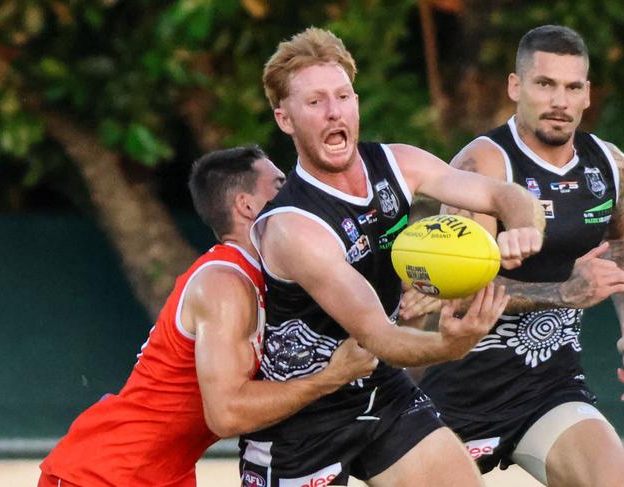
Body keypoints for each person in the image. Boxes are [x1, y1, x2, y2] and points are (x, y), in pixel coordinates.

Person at [239, 28, 545, 487]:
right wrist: (451, 345)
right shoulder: (293, 226)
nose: (334, 111)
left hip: (380, 391)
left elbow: (501, 193)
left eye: (343, 96)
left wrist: (526, 228)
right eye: (315, 102)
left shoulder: (399, 163)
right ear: (285, 120)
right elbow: (379, 334)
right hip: (302, 418)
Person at [37, 145, 378, 487]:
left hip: (157, 473)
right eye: (280, 185)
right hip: (105, 473)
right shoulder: (224, 284)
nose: (294, 194)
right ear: (246, 206)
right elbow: (227, 413)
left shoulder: (266, 280)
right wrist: (331, 378)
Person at [418, 25, 624, 487]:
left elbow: (622, 251)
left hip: (552, 388)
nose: (560, 101)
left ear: (587, 94)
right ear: (516, 87)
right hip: (460, 389)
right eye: (545, 84)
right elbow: (463, 294)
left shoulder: (608, 165)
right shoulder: (482, 166)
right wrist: (565, 293)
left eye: (572, 87)